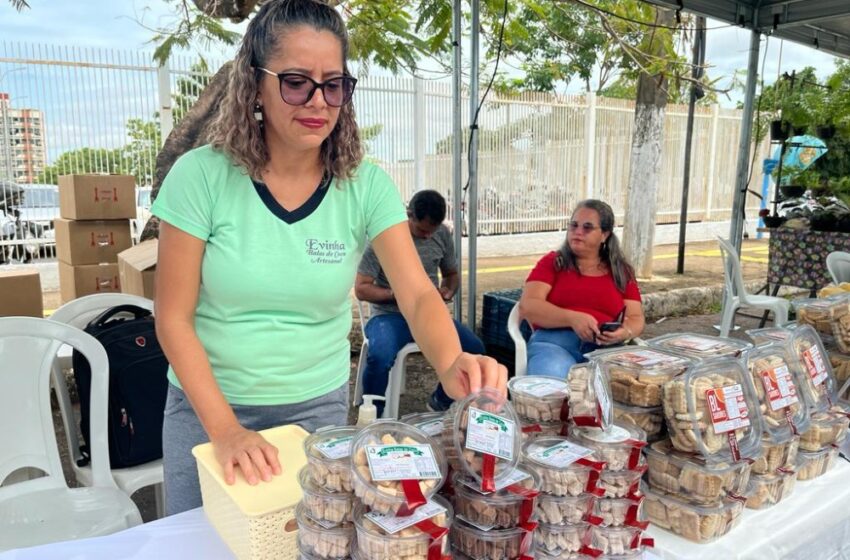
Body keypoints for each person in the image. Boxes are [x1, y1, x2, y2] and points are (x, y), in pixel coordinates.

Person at [151, 0, 507, 516]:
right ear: (255, 84)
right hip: (207, 410)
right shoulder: (201, 176)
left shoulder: (364, 185)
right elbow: (173, 318)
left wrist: (452, 361)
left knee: (317, 539)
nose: (318, 100)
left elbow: (416, 292)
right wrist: (226, 431)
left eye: (334, 83)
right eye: (296, 81)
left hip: (314, 410)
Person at [356, 189, 486, 414]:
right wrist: (397, 294)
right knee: (379, 355)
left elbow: (451, 275)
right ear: (409, 215)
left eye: (432, 231)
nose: (427, 236)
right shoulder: (386, 237)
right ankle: (372, 414)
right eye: (422, 230)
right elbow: (361, 289)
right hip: (389, 315)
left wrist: (447, 291)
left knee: (474, 348)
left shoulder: (442, 234)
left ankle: (440, 400)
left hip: (427, 313)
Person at [519, 199, 645, 378]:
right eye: (574, 225)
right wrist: (571, 318)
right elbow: (528, 306)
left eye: (587, 227)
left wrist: (625, 332)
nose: (578, 232)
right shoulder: (553, 263)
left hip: (605, 351)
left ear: (604, 235)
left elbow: (636, 317)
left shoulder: (621, 271)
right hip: (554, 344)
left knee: (627, 392)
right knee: (555, 387)